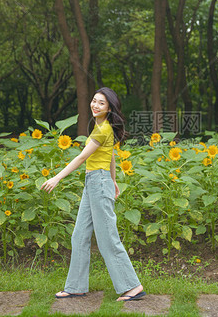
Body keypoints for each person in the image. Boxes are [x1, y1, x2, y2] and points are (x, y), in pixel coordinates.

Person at [41, 87, 145, 302]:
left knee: (108, 238)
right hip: (96, 182)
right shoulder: (101, 126)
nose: (95, 105)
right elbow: (111, 155)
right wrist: (114, 180)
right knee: (79, 236)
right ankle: (76, 287)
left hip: (98, 183)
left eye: (101, 103)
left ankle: (132, 286)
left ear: (109, 108)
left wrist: (57, 177)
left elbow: (81, 158)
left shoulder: (102, 130)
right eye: (94, 101)